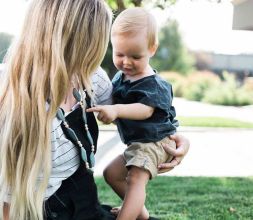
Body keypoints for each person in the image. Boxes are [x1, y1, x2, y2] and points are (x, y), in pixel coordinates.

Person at [0, 1, 189, 220]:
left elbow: (135, 113)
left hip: (85, 202)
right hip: (42, 211)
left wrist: (175, 138)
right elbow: (7, 202)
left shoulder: (91, 76)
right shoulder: (11, 97)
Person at [86, 7, 182, 220]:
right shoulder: (121, 78)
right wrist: (104, 110)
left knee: (136, 178)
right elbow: (109, 101)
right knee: (112, 174)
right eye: (120, 54)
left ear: (152, 49)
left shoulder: (154, 84)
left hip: (157, 142)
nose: (126, 62)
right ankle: (138, 213)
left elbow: (145, 110)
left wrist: (117, 110)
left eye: (135, 56)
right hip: (138, 145)